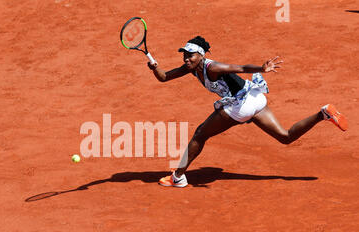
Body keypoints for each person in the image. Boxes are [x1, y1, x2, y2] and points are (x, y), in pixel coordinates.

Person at [147, 36, 348, 188]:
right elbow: (164, 77)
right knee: (285, 137)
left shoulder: (213, 67)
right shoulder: (190, 67)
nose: (186, 58)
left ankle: (178, 177)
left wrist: (261, 68)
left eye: (190, 55)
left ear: (201, 55)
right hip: (255, 98)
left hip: (241, 105)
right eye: (184, 55)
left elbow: (239, 67)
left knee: (200, 134)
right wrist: (154, 66)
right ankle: (322, 114)